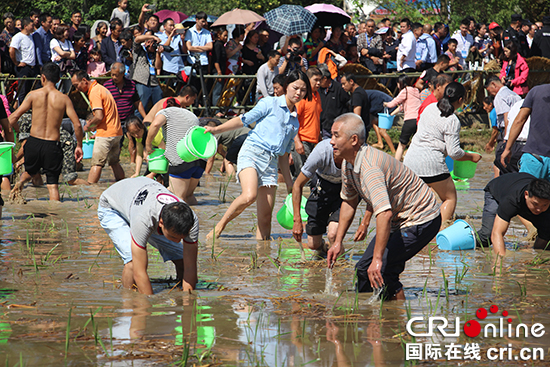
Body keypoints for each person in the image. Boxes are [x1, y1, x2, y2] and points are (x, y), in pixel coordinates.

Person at [326, 113, 441, 300]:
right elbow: (349, 201)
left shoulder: (370, 168)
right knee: (363, 269)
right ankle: (364, 313)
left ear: (353, 140)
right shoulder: (348, 162)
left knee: (384, 270)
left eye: (336, 135)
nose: (331, 141)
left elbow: (384, 214)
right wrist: (338, 242)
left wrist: (378, 259)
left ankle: (394, 320)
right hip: (399, 219)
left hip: (421, 218)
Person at [204, 70, 312, 240]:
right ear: (286, 86)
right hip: (252, 153)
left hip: (271, 163)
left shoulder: (294, 121)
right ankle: (220, 226)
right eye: (295, 87)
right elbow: (243, 120)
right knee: (249, 195)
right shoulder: (269, 103)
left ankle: (262, 255)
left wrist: (290, 185)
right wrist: (216, 130)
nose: (298, 93)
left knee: (265, 220)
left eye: (303, 90)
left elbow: (283, 155)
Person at [98, 176, 199, 294]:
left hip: (139, 200)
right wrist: (148, 305)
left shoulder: (191, 220)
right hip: (112, 207)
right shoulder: (143, 219)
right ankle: (129, 303)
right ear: (161, 223)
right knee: (132, 262)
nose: (177, 241)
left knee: (182, 257)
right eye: (173, 237)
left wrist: (188, 303)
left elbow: (190, 267)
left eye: (181, 238)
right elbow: (139, 271)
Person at [403, 82, 481, 224]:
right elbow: (454, 153)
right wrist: (472, 157)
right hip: (431, 163)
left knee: (416, 202)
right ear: (460, 100)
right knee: (449, 198)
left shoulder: (429, 108)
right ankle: (440, 234)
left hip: (410, 160)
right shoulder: (452, 120)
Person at [8, 63, 83, 201]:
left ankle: (20, 183)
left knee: (29, 172)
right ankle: (55, 217)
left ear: (43, 78)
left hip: (34, 142)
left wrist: (4, 136)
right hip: (52, 145)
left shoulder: (33, 95)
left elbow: (14, 117)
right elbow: (77, 125)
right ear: (59, 79)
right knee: (53, 185)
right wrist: (79, 145)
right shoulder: (64, 99)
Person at [292, 139, 355, 259]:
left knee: (333, 234)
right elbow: (297, 185)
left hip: (344, 191)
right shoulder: (321, 152)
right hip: (321, 188)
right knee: (312, 244)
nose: (334, 145)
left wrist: (365, 222)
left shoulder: (356, 154)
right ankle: (325, 248)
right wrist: (297, 220)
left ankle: (340, 265)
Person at [476, 173, 550, 257]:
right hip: (496, 191)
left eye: (544, 205)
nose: (539, 209)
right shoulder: (511, 200)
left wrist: (538, 257)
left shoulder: (543, 205)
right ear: (526, 195)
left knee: (547, 231)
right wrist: (500, 262)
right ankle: (464, 240)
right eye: (535, 204)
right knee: (487, 235)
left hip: (519, 184)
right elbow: (497, 232)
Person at [71, 70, 125, 183]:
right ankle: (123, 184)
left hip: (106, 134)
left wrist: (88, 126)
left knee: (96, 163)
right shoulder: (102, 88)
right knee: (114, 163)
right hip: (116, 132)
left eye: (77, 85)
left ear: (84, 81)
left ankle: (91, 189)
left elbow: (99, 116)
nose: (77, 89)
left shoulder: (94, 92)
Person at [145, 98, 202, 204]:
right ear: (180, 107)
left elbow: (156, 124)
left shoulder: (165, 112)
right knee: (189, 196)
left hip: (181, 158)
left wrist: (148, 145)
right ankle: (199, 218)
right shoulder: (190, 114)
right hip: (200, 159)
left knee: (176, 198)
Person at [502, 83, 550, 180]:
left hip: (534, 157)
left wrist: (508, 148)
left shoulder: (536, 91)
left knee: (525, 192)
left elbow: (519, 121)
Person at [485, 75, 521, 173]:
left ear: (493, 84)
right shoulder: (514, 94)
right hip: (520, 131)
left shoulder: (499, 96)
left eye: (489, 91)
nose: (491, 94)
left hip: (508, 131)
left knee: (499, 162)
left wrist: (506, 138)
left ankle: (497, 187)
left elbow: (506, 117)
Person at [384, 75, 422, 161]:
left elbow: (393, 103)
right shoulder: (416, 90)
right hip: (419, 120)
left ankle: (396, 164)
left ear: (400, 83)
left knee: (401, 145)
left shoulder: (405, 91)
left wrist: (386, 104)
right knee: (416, 142)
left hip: (409, 121)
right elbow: (401, 107)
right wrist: (392, 114)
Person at [292, 68, 323, 175]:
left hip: (313, 141)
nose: (318, 83)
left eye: (320, 80)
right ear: (308, 80)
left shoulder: (317, 95)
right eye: (315, 80)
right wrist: (297, 141)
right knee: (305, 175)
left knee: (310, 175)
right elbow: (293, 120)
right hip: (302, 140)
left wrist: (319, 137)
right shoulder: (302, 98)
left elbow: (315, 117)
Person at [184, 11, 213, 105]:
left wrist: (196, 48)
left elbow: (210, 47)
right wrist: (202, 48)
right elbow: (189, 47)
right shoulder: (190, 32)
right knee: (193, 87)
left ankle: (204, 107)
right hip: (192, 61)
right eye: (202, 21)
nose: (204, 24)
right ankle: (194, 106)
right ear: (197, 20)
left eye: (205, 21)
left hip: (204, 62)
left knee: (203, 87)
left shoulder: (207, 32)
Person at [132, 31, 164, 112]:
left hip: (154, 82)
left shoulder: (154, 53)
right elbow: (137, 39)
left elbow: (158, 66)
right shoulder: (139, 50)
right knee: (142, 106)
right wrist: (152, 37)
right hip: (142, 81)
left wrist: (158, 54)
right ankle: (138, 123)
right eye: (153, 44)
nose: (154, 47)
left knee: (159, 105)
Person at [9, 17, 37, 104]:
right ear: (25, 26)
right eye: (31, 25)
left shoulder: (31, 36)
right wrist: (16, 63)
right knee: (23, 89)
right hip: (23, 67)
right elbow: (11, 50)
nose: (33, 27)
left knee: (34, 88)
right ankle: (22, 109)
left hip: (33, 67)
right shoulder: (18, 37)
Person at [318, 64, 349, 139]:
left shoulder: (339, 89)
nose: (318, 83)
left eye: (319, 80)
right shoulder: (318, 90)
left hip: (338, 128)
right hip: (324, 128)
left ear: (325, 78)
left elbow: (348, 104)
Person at [366, 89, 396, 153]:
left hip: (388, 106)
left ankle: (393, 151)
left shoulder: (363, 95)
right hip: (383, 105)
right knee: (374, 122)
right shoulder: (365, 94)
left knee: (382, 131)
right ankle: (380, 143)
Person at [211, 27, 228, 107]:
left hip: (222, 70)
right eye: (224, 35)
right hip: (217, 71)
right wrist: (219, 72)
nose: (226, 38)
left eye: (227, 36)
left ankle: (219, 107)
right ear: (219, 34)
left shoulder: (222, 45)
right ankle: (216, 109)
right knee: (217, 91)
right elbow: (216, 60)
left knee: (220, 91)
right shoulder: (217, 45)